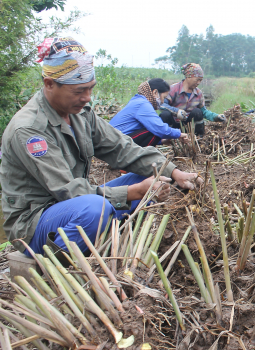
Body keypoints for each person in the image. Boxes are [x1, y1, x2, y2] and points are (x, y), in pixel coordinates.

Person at [0, 37, 203, 257]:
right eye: (79, 91)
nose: (87, 98)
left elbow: (124, 148)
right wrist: (134, 192)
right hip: (36, 221)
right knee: (96, 209)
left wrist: (173, 171)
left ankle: (118, 241)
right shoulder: (29, 130)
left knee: (153, 176)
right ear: (49, 84)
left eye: (90, 89)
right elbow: (67, 191)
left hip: (75, 204)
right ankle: (61, 266)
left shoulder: (81, 115)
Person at [110, 78, 189, 147]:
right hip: (116, 143)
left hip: (114, 140)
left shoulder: (138, 101)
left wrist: (162, 141)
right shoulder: (143, 104)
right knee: (154, 130)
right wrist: (178, 134)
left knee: (153, 130)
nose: (162, 101)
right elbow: (159, 129)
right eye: (163, 97)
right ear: (155, 92)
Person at [160, 63, 226, 136]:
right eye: (197, 80)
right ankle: (166, 137)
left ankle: (198, 137)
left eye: (200, 80)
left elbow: (204, 111)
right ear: (188, 76)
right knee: (165, 114)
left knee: (197, 112)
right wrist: (176, 111)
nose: (198, 83)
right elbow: (162, 105)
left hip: (189, 126)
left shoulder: (198, 93)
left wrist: (216, 117)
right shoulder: (173, 89)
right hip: (173, 125)